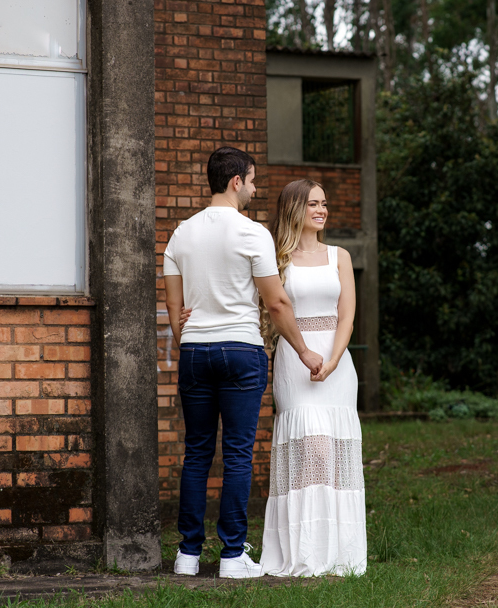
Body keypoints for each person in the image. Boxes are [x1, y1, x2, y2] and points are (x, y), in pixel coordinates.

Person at [163, 148, 324, 579]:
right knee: (237, 454)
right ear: (236, 181)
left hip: (194, 353)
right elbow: (276, 302)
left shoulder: (180, 234)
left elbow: (175, 308)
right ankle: (232, 556)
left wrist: (190, 341)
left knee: (197, 453)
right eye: (252, 181)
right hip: (241, 351)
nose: (254, 189)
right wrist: (304, 350)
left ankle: (187, 555)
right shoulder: (253, 234)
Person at [258, 179, 367, 577]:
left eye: (324, 203)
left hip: (336, 366)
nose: (322, 210)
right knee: (310, 452)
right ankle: (304, 551)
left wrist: (334, 360)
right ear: (295, 209)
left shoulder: (340, 256)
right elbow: (267, 308)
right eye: (313, 204)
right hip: (294, 360)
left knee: (334, 456)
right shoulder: (276, 259)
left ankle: (339, 552)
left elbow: (347, 316)